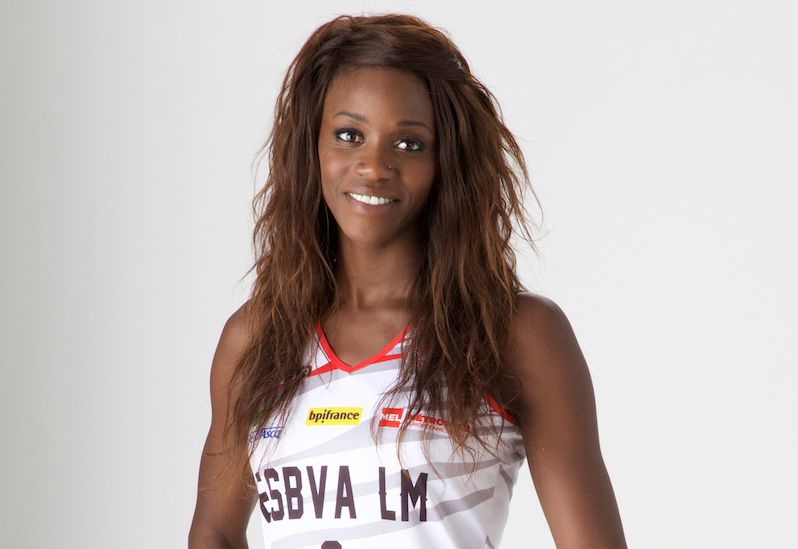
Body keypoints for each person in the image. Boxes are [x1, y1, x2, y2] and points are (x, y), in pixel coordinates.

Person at [189, 13, 627, 549]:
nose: (374, 166)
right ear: (312, 147)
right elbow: (214, 532)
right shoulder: (258, 337)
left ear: (447, 161)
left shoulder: (514, 333)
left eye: (410, 144)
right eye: (349, 135)